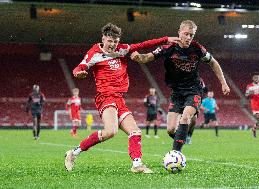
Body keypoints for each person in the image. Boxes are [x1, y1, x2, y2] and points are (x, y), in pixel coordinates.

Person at [64, 23, 181, 173]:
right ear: (103, 38)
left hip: (119, 98)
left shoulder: (122, 49)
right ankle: (73, 153)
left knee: (135, 132)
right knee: (111, 131)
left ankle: (137, 164)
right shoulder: (94, 52)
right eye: (110, 41)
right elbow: (80, 67)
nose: (112, 45)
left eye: (115, 41)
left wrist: (166, 39)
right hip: (105, 97)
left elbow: (144, 44)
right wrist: (78, 73)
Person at [131, 20, 230, 152]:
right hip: (177, 92)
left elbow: (213, 63)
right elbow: (147, 58)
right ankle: (185, 134)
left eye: (192, 35)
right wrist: (138, 57)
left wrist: (223, 83)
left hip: (194, 89)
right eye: (186, 34)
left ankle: (176, 153)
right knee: (171, 129)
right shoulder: (168, 48)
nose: (189, 38)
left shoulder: (197, 48)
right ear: (179, 32)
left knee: (185, 117)